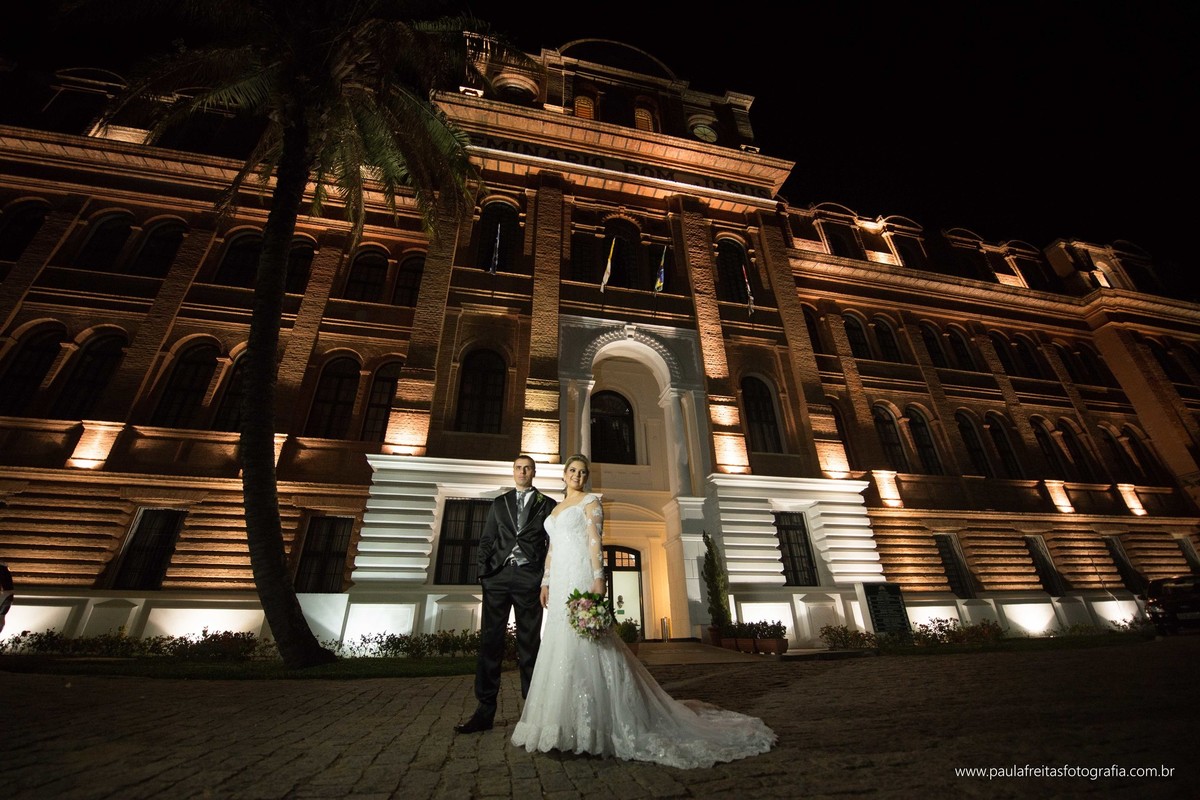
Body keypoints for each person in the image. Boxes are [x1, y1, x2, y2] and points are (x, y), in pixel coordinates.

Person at [511, 454, 776, 768]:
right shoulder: (555, 509)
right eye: (573, 470)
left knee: (589, 642)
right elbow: (552, 548)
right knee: (559, 644)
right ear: (564, 474)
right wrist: (545, 582)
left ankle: (597, 724)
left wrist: (599, 579)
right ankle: (559, 724)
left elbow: (595, 541)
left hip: (580, 576)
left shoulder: (591, 503)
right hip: (559, 582)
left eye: (583, 472)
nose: (577, 476)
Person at [456, 454, 557, 734]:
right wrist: (484, 574)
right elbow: (487, 539)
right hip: (497, 579)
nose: (522, 471)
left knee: (529, 646)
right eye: (518, 468)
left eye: (527, 468)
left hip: (529, 579)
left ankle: (533, 713)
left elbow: (553, 546)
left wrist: (545, 580)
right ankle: (484, 712)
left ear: (534, 472)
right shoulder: (499, 503)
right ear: (513, 472)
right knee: (490, 644)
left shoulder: (547, 504)